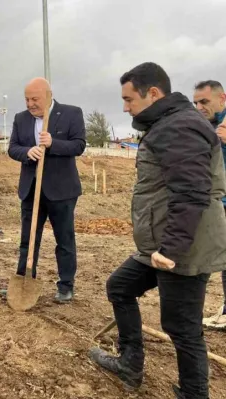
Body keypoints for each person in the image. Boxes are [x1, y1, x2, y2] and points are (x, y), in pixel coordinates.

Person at [89, 62, 226, 398]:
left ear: (153, 93)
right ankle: (130, 364)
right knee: (120, 286)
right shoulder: (170, 122)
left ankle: (194, 394)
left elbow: (192, 191)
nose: (125, 107)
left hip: (183, 245)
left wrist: (172, 250)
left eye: (129, 99)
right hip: (164, 241)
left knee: (183, 327)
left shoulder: (178, 126)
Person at [7, 77, 86, 303]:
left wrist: (53, 143)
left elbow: (79, 145)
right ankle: (24, 279)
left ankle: (66, 285)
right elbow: (13, 148)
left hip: (61, 190)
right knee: (28, 238)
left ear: (48, 96)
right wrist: (27, 152)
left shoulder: (71, 113)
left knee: (65, 239)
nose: (30, 104)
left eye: (35, 99)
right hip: (31, 190)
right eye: (27, 99)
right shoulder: (20, 119)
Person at [193, 80, 226, 330]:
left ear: (221, 98)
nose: (199, 106)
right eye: (195, 102)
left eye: (204, 101)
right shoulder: (207, 126)